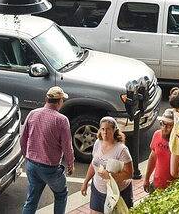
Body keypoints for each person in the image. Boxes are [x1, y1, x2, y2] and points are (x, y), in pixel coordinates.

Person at [20, 86, 74, 214]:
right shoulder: (62, 120)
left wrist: (27, 156)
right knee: (61, 194)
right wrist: (70, 164)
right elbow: (67, 146)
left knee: (31, 199)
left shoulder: (33, 113)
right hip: (50, 168)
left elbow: (23, 138)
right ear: (60, 101)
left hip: (31, 164)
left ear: (46, 99)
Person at [81, 116, 133, 213]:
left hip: (117, 192)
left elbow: (129, 174)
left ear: (114, 130)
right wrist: (85, 182)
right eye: (103, 129)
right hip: (98, 190)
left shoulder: (121, 149)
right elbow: (94, 164)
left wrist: (109, 176)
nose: (105, 132)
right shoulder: (98, 143)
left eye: (108, 129)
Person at [143, 109, 174, 193]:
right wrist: (146, 179)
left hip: (173, 189)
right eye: (162, 124)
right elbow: (153, 157)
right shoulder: (157, 134)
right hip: (156, 185)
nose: (164, 128)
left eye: (169, 125)